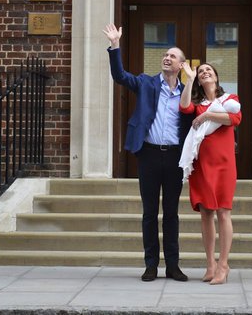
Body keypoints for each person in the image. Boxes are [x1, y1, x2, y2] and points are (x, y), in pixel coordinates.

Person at [103, 23, 192, 282]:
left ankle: (173, 266)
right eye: (165, 54)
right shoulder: (145, 83)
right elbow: (120, 76)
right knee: (150, 212)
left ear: (181, 65)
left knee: (171, 213)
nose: (167, 58)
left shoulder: (186, 93)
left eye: (172, 56)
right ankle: (151, 265)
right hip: (149, 155)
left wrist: (192, 80)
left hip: (174, 157)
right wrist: (115, 45)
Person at [179, 62, 241, 285]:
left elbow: (234, 119)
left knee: (223, 212)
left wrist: (206, 117)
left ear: (216, 76)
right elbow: (184, 107)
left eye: (209, 70)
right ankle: (210, 265)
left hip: (224, 164)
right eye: (201, 71)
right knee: (206, 213)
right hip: (202, 164)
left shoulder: (229, 99)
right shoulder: (198, 104)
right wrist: (189, 78)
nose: (205, 73)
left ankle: (223, 265)